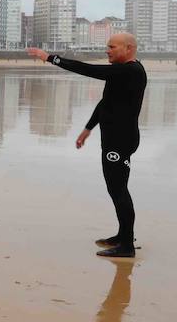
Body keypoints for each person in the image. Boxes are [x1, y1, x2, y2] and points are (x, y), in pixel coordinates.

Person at [28, 34, 147, 257]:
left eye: (112, 47)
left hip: (120, 141)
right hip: (115, 138)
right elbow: (106, 103)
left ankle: (127, 246)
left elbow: (88, 70)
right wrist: (88, 128)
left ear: (128, 48)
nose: (107, 50)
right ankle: (123, 236)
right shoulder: (122, 71)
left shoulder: (130, 71)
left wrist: (50, 58)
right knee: (116, 190)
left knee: (118, 190)